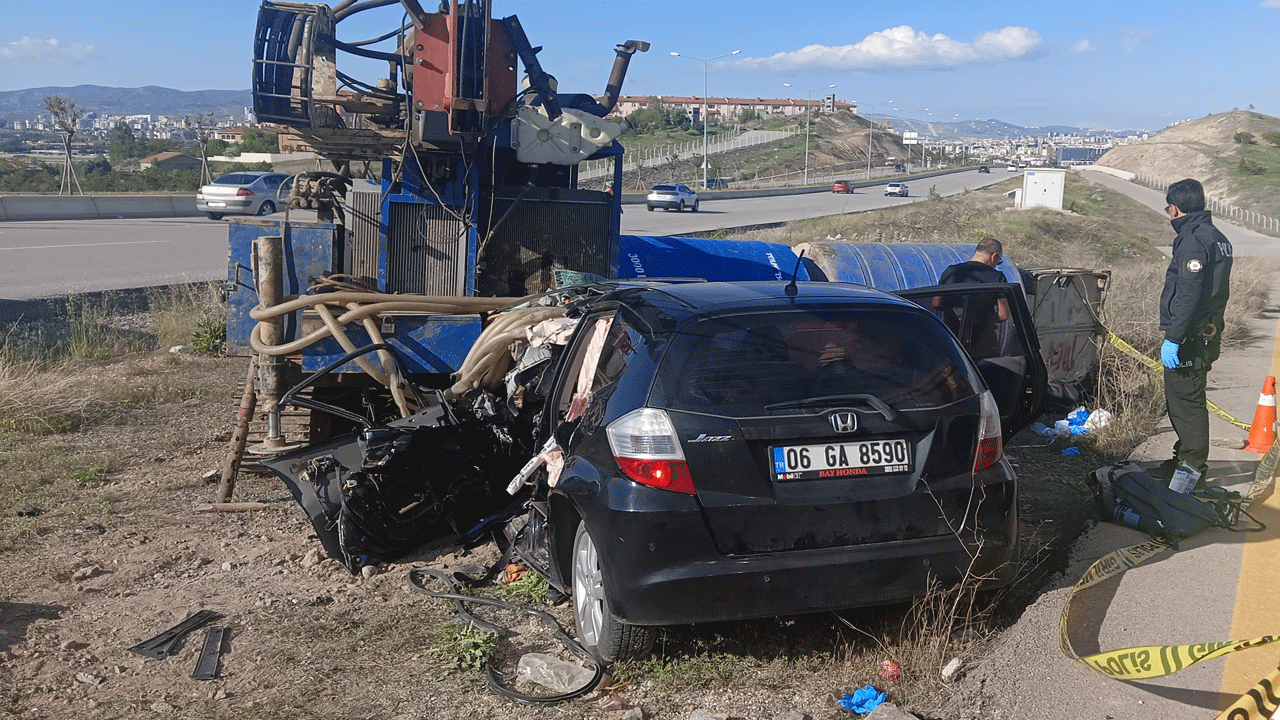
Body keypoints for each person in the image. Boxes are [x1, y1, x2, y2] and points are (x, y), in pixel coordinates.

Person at [1154, 178, 1232, 480]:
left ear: (1175, 209)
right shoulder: (1217, 236)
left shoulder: (1193, 240)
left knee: (1186, 404)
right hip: (1205, 330)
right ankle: (1183, 460)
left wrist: (1174, 337)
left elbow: (1189, 292)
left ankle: (1191, 472)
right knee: (1184, 402)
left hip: (1190, 334)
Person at [933, 238, 1011, 356]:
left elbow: (937, 303)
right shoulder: (997, 277)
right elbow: (1003, 314)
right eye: (998, 261)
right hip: (982, 343)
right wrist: (984, 320)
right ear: (994, 256)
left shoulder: (952, 271)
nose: (996, 265)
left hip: (952, 338)